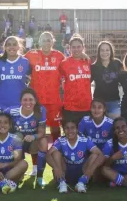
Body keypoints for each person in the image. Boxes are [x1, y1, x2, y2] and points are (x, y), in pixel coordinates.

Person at [25, 32, 66, 175]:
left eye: (49, 40)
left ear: (53, 42)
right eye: (44, 40)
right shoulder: (31, 55)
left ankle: (58, 161)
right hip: (37, 103)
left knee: (55, 132)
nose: (46, 42)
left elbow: (71, 65)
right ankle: (35, 166)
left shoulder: (60, 56)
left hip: (54, 102)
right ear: (39, 41)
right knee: (35, 133)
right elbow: (17, 63)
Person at [47, 119, 104, 193]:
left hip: (82, 172)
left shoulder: (84, 140)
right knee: (55, 153)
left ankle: (81, 183)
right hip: (66, 172)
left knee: (95, 155)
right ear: (64, 130)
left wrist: (91, 169)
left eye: (72, 128)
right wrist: (56, 168)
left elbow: (101, 155)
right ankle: (62, 183)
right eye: (67, 128)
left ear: (77, 129)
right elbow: (48, 154)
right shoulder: (60, 140)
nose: (70, 130)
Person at [5, 88, 47, 187]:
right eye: (25, 100)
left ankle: (40, 177)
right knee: (17, 138)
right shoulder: (10, 111)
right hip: (17, 143)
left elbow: (42, 132)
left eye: (31, 99)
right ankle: (19, 172)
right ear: (20, 101)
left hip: (32, 141)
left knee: (44, 142)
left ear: (35, 101)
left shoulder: (40, 110)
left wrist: (34, 136)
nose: (28, 102)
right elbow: (3, 129)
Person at [0, 36, 31, 111]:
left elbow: (32, 77)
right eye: (9, 44)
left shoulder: (25, 62)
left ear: (18, 47)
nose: (11, 47)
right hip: (2, 105)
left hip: (21, 105)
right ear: (5, 47)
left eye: (14, 44)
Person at [59, 34, 92, 124]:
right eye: (73, 47)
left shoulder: (88, 61)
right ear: (69, 48)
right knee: (71, 134)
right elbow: (58, 80)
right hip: (70, 107)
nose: (76, 49)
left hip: (86, 106)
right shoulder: (64, 63)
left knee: (85, 135)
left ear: (83, 47)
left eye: (78, 47)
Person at [90, 41, 123, 118]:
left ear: (111, 51)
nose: (105, 52)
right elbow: (86, 82)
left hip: (114, 101)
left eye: (107, 50)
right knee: (100, 127)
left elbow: (124, 80)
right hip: (98, 103)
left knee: (115, 126)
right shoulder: (94, 67)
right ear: (98, 52)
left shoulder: (117, 63)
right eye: (102, 50)